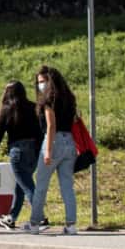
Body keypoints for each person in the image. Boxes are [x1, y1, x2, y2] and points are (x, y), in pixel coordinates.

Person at [23, 65, 80, 235]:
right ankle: (71, 225)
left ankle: (34, 223)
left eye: (42, 81)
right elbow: (75, 120)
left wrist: (47, 151)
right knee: (67, 186)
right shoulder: (70, 98)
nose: (40, 85)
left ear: (50, 81)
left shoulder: (49, 100)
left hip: (53, 143)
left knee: (41, 185)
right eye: (39, 82)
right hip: (70, 143)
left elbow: (51, 126)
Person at [0, 80, 41, 230]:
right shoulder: (34, 107)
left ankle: (40, 218)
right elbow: (40, 131)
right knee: (21, 186)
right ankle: (12, 217)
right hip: (34, 150)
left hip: (17, 151)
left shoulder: (6, 109)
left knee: (27, 187)